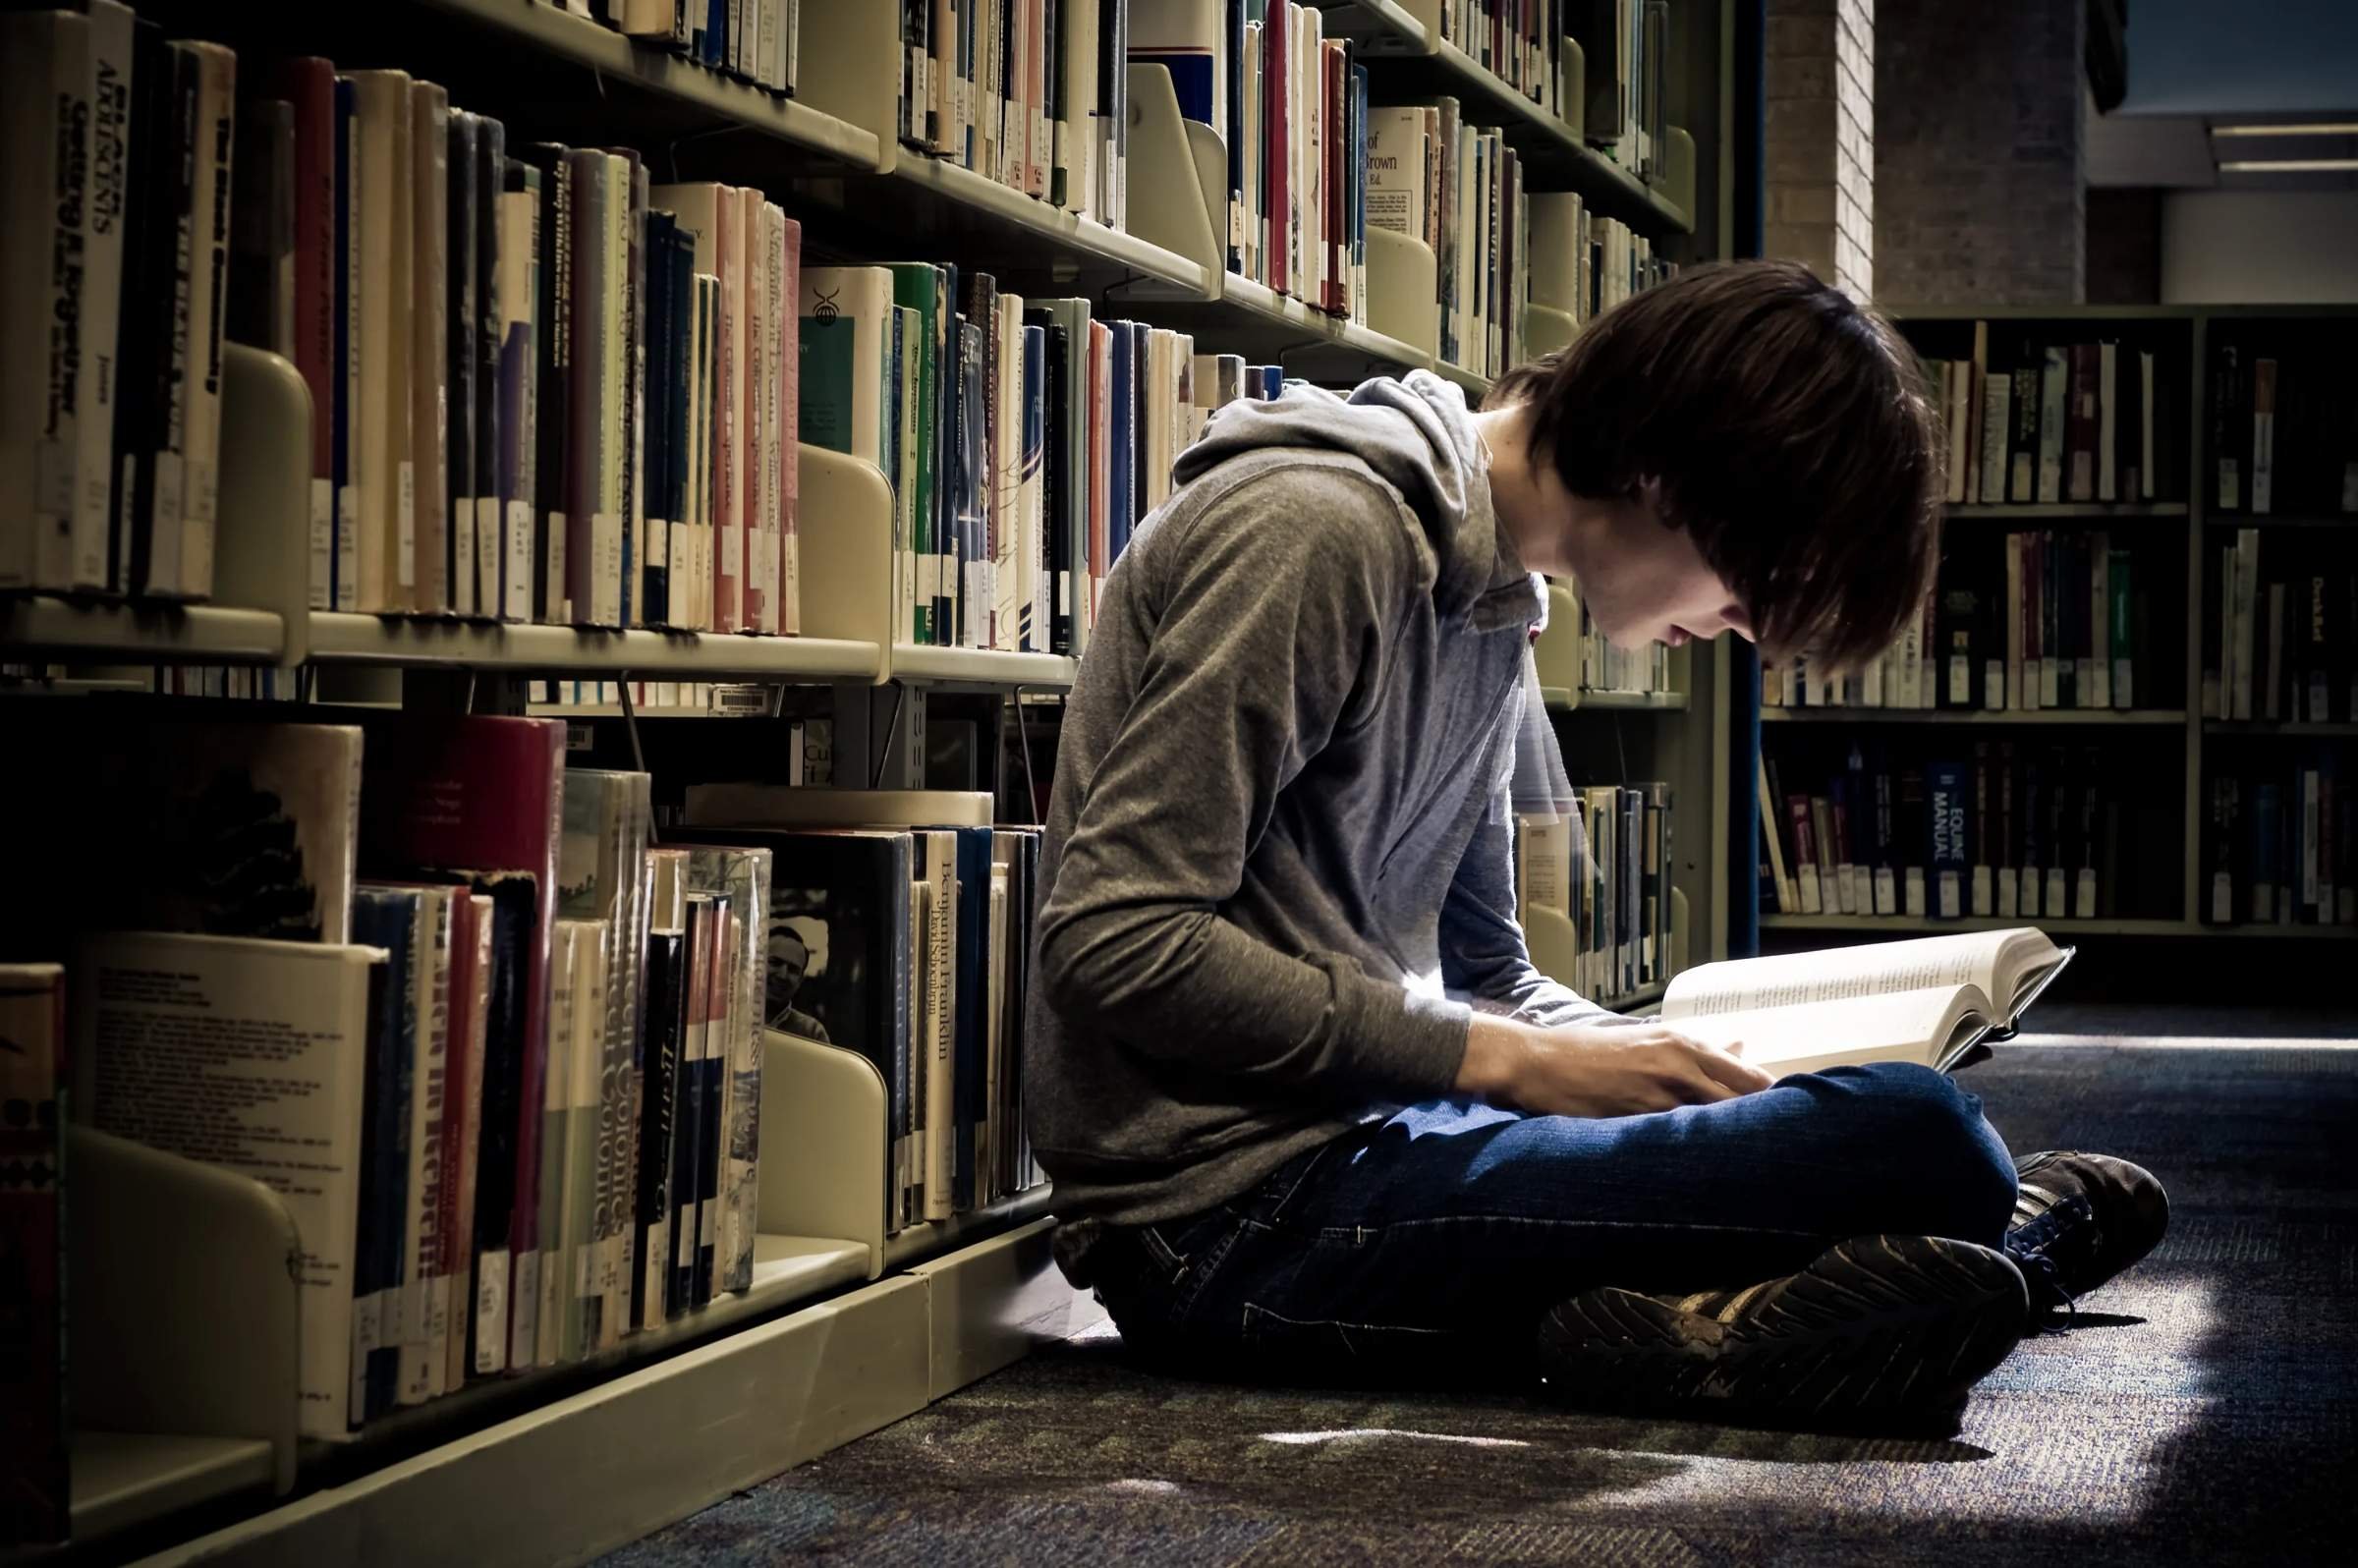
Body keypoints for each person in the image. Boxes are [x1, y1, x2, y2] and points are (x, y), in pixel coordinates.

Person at [1023, 260, 2166, 1432]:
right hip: (1227, 1223)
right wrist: (1530, 1071)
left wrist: (1671, 1066)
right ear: (1667, 475)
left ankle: (1731, 1325)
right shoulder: (1312, 532)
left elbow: (1486, 976)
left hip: (1399, 1139)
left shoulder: (1494, 597)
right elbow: (1117, 936)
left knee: (1893, 1120)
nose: (1746, 632)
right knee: (1927, 1145)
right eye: (1753, 585)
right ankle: (2007, 1247)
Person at [764, 924, 830, 1042]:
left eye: (793, 969)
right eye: (775, 962)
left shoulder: (812, 1032)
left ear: (800, 981)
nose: (783, 975)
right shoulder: (730, 1017)